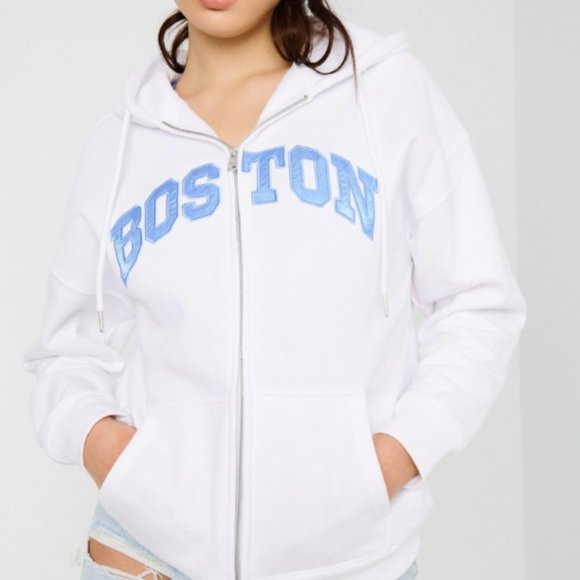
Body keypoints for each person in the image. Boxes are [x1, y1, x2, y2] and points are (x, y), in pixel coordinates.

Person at [21, 1, 527, 579]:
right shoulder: (120, 142)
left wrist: (392, 459)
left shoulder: (386, 93)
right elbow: (67, 351)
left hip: (349, 562)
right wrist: (107, 452)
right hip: (145, 558)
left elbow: (478, 304)